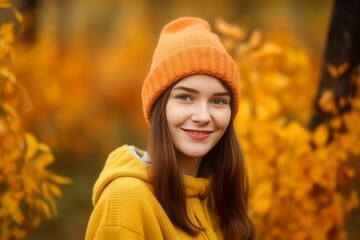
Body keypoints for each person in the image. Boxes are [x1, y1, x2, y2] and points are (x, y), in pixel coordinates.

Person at [85, 17, 255, 240]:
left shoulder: (218, 199)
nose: (203, 116)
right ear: (159, 107)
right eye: (185, 97)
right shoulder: (126, 200)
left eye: (218, 101)